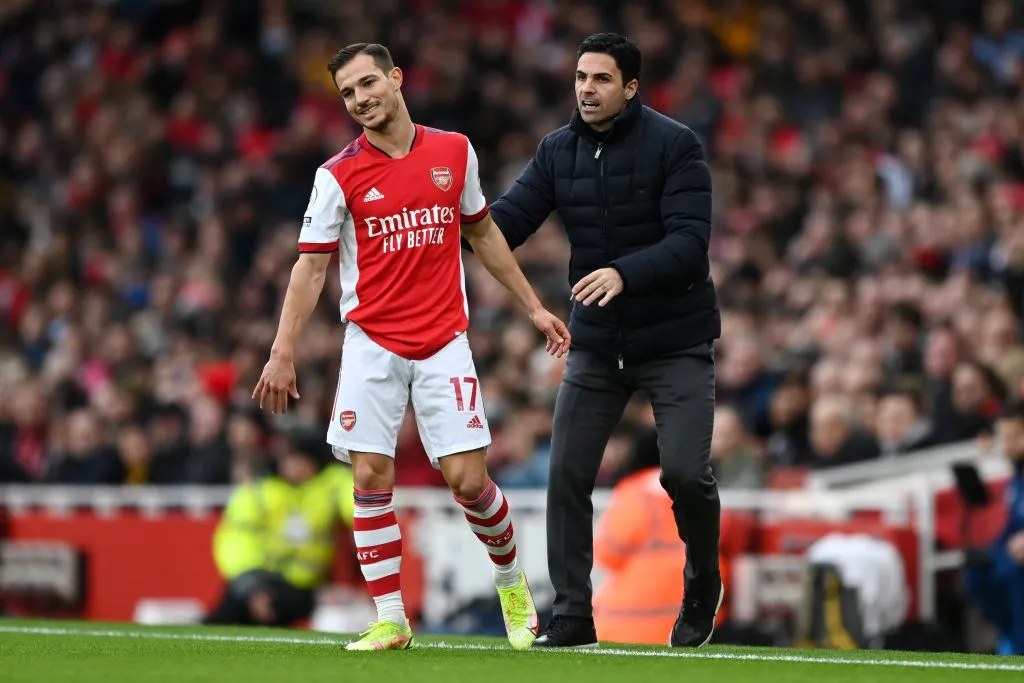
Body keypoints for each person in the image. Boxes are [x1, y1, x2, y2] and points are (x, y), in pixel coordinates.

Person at [252, 42, 570, 652]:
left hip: (444, 339)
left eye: (368, 84)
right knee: (370, 473)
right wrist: (282, 350)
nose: (361, 99)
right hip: (370, 341)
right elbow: (310, 270)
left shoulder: (455, 151)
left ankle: (510, 581)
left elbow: (481, 231)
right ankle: (392, 618)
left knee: (468, 481)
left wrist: (532, 305)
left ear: (396, 79)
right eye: (348, 94)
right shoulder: (336, 175)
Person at [486, 32, 723, 648]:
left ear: (631, 87)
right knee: (566, 473)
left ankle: (701, 589)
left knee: (685, 475)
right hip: (598, 341)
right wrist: (450, 220)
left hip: (676, 339)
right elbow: (506, 223)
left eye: (601, 80)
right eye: (580, 78)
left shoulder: (676, 144)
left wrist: (625, 271)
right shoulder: (556, 151)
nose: (586, 89)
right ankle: (572, 616)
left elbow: (690, 242)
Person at [205, 428, 354, 627]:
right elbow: (236, 541)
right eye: (285, 457)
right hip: (260, 577)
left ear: (312, 459)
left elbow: (356, 507)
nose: (287, 463)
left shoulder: (332, 484)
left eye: (294, 457)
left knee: (267, 605)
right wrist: (251, 586)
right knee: (237, 599)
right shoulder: (260, 490)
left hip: (305, 586)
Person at [963, 401, 1024, 655]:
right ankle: (1010, 639)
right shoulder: (1017, 480)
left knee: (1014, 572)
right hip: (1011, 553)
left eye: (1016, 436)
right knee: (976, 571)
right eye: (1004, 437)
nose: (1008, 445)